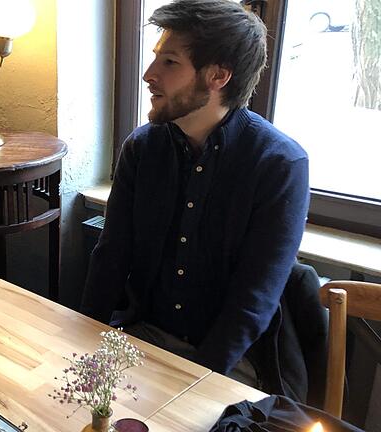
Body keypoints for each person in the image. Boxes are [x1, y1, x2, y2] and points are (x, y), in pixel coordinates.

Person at [80, 0, 309, 386]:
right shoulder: (142, 148)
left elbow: (253, 300)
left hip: (232, 363)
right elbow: (111, 257)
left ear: (217, 76)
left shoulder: (279, 164)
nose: (148, 74)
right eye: (155, 58)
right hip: (142, 339)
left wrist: (194, 385)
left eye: (169, 62)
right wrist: (82, 341)